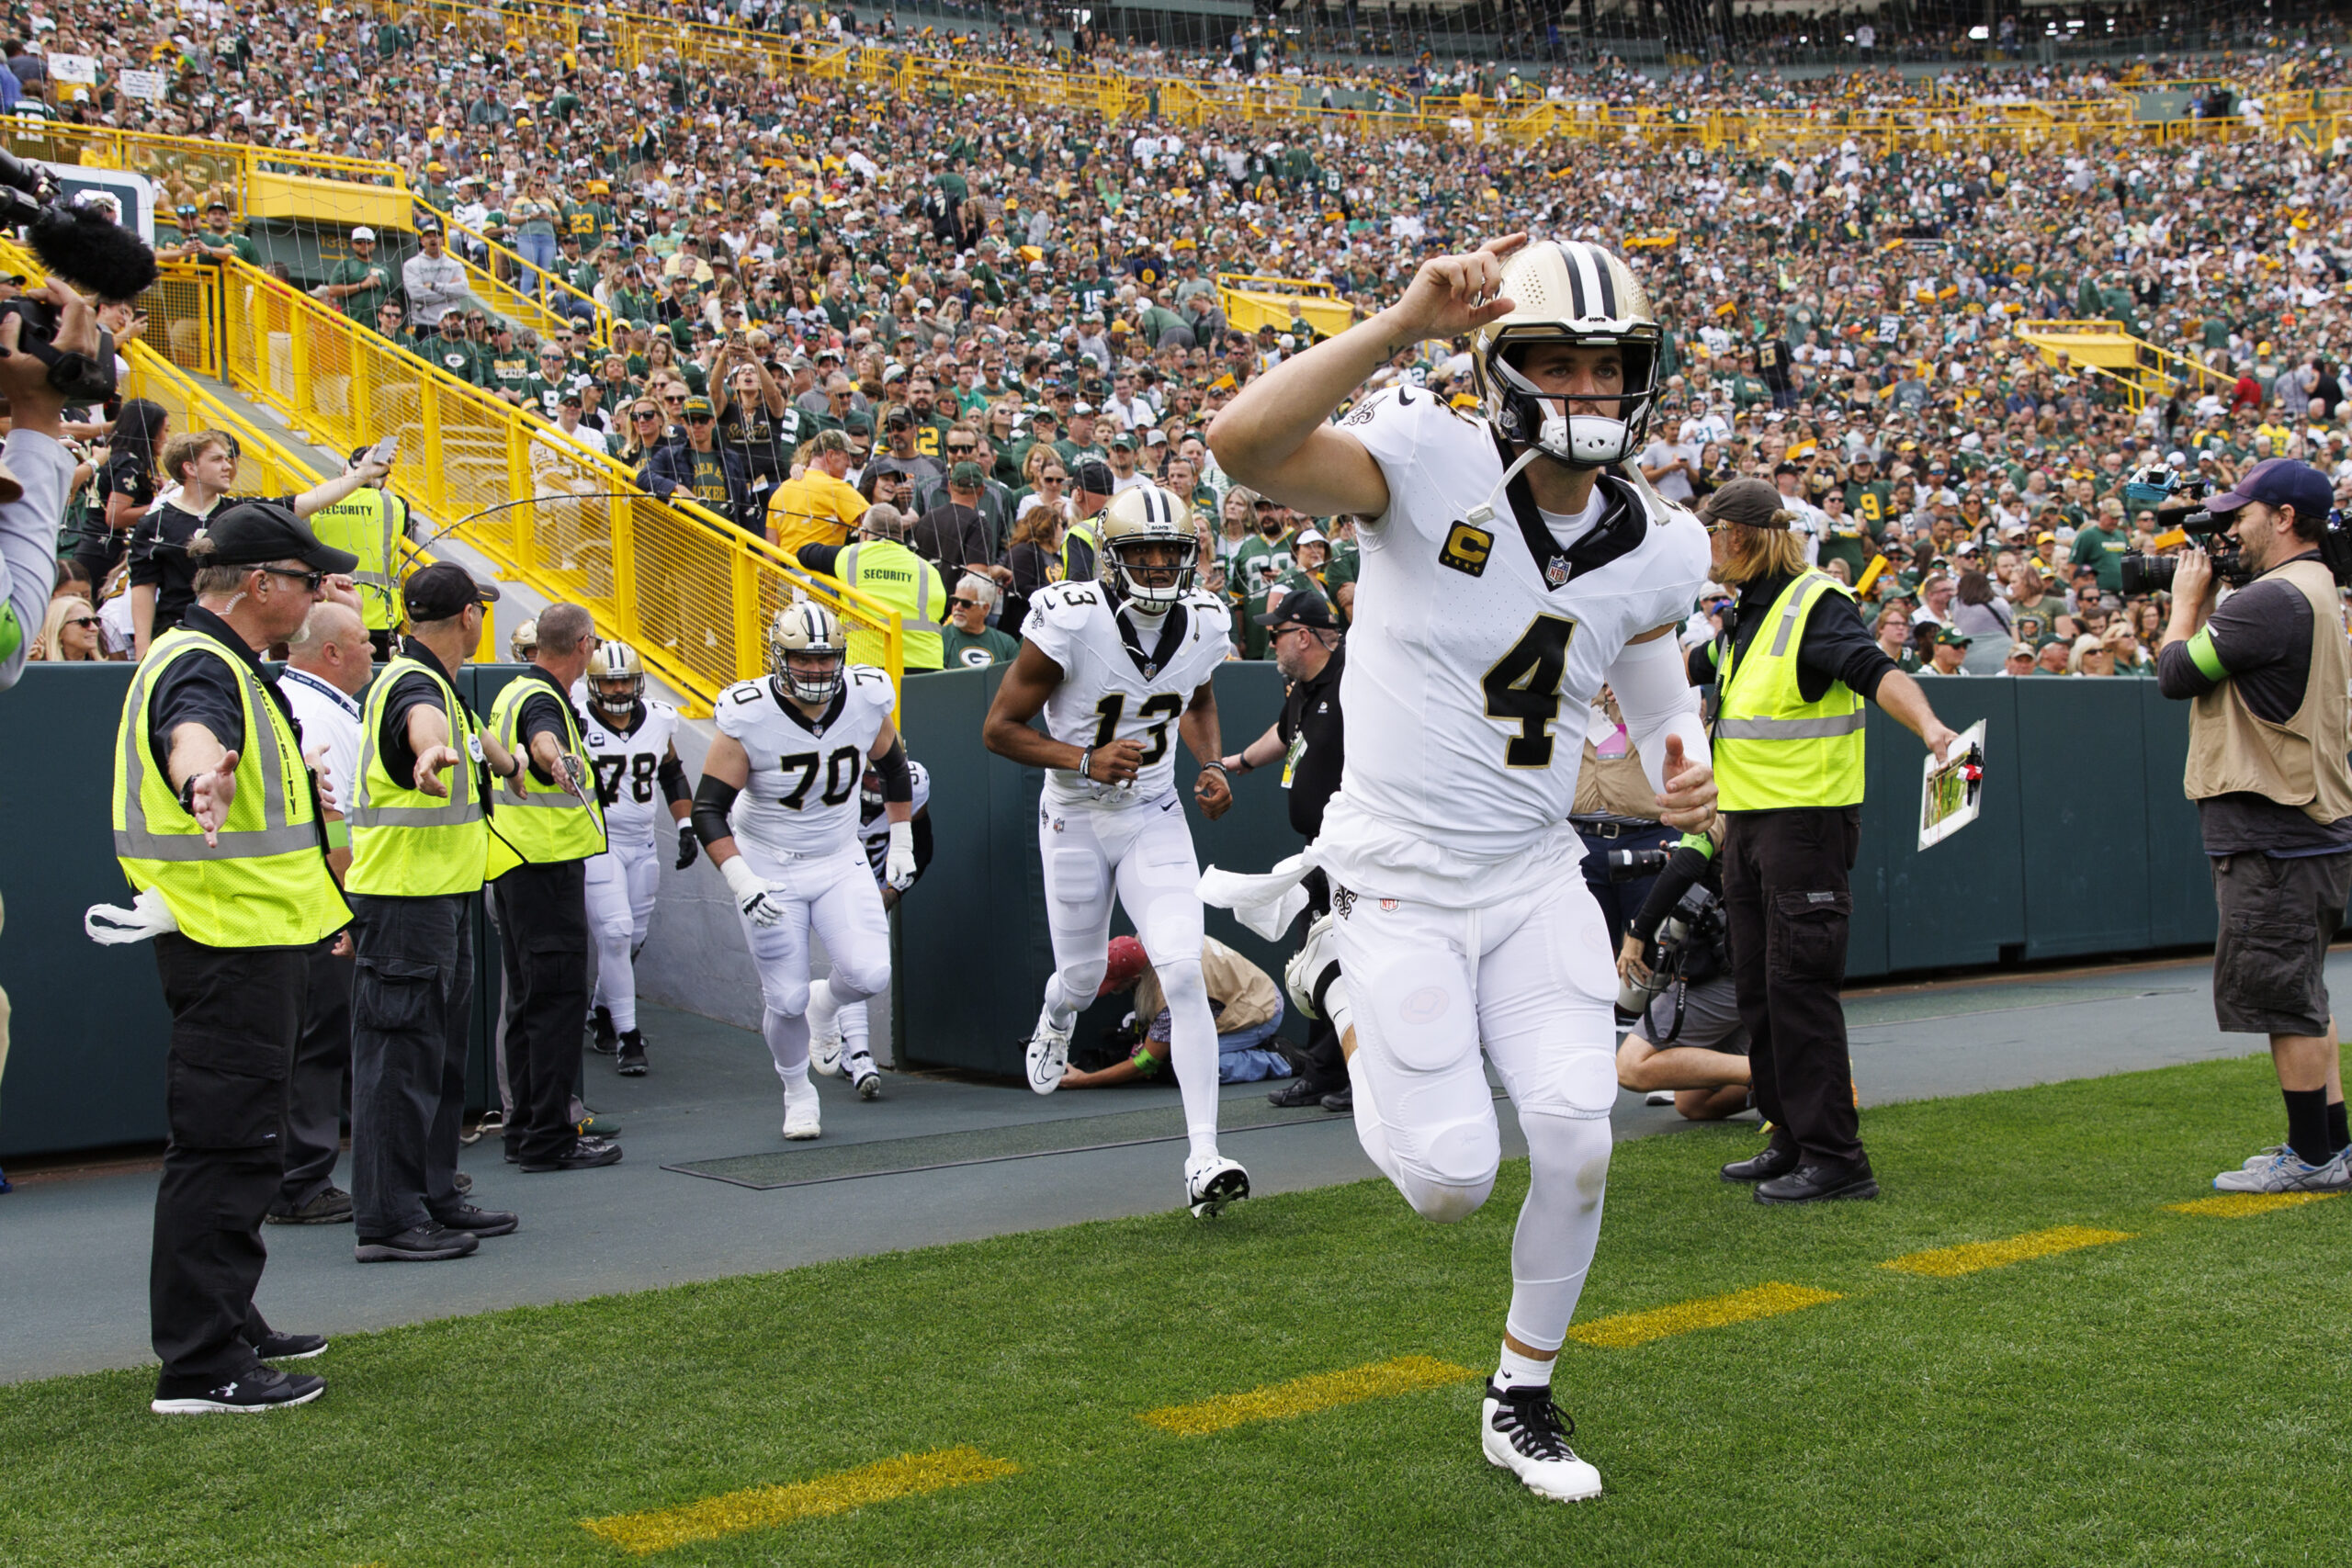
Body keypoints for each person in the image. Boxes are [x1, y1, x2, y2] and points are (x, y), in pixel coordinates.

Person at [1207, 237, 1718, 1502]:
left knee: (1579, 1140)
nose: (1586, 392)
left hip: (1534, 868)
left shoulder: (1664, 541)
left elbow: (1638, 638)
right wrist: (1397, 321)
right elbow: (1242, 445)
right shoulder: (1431, 459)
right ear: (1501, 367)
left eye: (1607, 370)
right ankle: (1334, 972)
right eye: (1556, 363)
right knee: (1447, 1182)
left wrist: (1677, 744)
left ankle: (1521, 1394)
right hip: (1398, 877)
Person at [106, 502, 351, 1413]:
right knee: (226, 1147)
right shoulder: (204, 666)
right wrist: (198, 772)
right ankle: (202, 1365)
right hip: (228, 942)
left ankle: (226, 1319)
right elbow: (195, 734)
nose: (320, 591)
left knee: (242, 1145)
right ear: (259, 586)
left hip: (248, 936)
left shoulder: (219, 660)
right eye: (305, 578)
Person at [980, 482, 1247, 1216]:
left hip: (1153, 813)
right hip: (1073, 813)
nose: (1160, 564)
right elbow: (998, 728)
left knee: (1183, 974)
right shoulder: (1069, 618)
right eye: (1143, 551)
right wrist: (1081, 758)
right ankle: (1057, 1013)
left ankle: (1203, 1157)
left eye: (1172, 551)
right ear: (1111, 557)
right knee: (1082, 971)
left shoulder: (1204, 621)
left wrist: (1214, 763)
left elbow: (1196, 698)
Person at [1702, 476, 1958, 1204]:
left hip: (1803, 825)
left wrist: (1933, 730)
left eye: (1713, 529)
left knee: (1798, 988)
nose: (1707, 543)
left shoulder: (1813, 603)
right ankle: (1790, 1135)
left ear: (1741, 536)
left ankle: (1837, 1159)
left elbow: (1874, 670)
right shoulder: (1748, 612)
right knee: (1759, 989)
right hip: (1749, 825)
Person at [2154, 457, 2352, 1191]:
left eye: (2240, 517)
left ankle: (2311, 1157)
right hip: (2308, 823)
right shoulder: (2317, 584)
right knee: (2303, 993)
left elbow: (2176, 672)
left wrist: (2185, 603)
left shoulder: (2270, 600)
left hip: (2275, 830)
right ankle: (2331, 1146)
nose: (2229, 531)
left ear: (2284, 516)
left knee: (2282, 999)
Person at [345, 562, 532, 1263]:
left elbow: (485, 745)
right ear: (467, 618)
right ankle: (390, 1218)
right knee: (399, 1064)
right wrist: (429, 754)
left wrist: (514, 762)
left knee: (438, 1060)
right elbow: (424, 730)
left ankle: (431, 1194)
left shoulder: (435, 682)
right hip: (404, 903)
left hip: (438, 899)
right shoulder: (417, 689)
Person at [695, 604, 916, 1126]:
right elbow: (708, 809)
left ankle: (827, 1005)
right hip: (769, 862)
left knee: (869, 973)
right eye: (803, 659)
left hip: (839, 856)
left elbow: (893, 766)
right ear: (779, 657)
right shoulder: (749, 713)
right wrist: (741, 877)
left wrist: (901, 839)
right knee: (786, 997)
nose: (817, 670)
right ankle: (798, 1093)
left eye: (826, 658)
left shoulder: (865, 696)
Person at [483, 602, 618, 1171]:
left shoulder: (513, 690)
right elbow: (544, 742)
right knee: (556, 1006)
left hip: (515, 867)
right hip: (543, 870)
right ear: (584, 646)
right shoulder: (542, 700)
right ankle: (549, 1138)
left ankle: (525, 1131)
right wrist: (558, 760)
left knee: (525, 1003)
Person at [1216, 589, 1350, 1111]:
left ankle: (1364, 1076)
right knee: (1315, 964)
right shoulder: (1303, 688)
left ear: (1304, 636)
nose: (1270, 642)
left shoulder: (1354, 681)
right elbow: (1285, 732)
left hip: (1358, 852)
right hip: (1318, 852)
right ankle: (1322, 1072)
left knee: (1356, 964)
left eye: (1276, 634)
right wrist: (1239, 763)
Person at [266, 601, 371, 1227]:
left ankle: (330, 1172)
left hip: (321, 895)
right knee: (319, 1039)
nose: (369, 647)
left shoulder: (314, 700)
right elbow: (330, 821)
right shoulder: (308, 708)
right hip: (323, 898)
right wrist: (347, 909)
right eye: (361, 639)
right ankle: (300, 1181)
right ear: (331, 652)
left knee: (333, 1037)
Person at [577, 639, 695, 1077]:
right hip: (597, 840)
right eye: (610, 681)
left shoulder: (660, 721)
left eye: (626, 680)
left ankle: (601, 1011)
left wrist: (685, 827)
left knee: (632, 938)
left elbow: (671, 772)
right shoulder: (576, 717)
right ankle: (627, 1037)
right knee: (616, 931)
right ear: (593, 684)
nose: (620, 689)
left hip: (643, 841)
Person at [1611, 827, 1753, 1122]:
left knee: (1631, 1066)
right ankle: (1808, 1074)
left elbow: (1687, 863)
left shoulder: (1720, 797)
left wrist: (1638, 935)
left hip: (1731, 967)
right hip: (1757, 967)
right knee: (1694, 1103)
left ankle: (1790, 1077)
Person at [1057, 935, 1292, 1089]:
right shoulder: (1152, 939)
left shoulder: (1169, 992)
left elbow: (1145, 1064)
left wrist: (1085, 1080)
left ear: (1135, 979)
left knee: (1187, 1067)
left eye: (1114, 984)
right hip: (1242, 991)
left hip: (1261, 1007)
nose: (1110, 990)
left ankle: (1279, 1059)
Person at [795, 504, 949, 672]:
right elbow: (940, 613)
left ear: (865, 533)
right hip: (926, 666)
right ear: (901, 534)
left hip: (868, 665)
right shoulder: (928, 570)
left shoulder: (851, 556)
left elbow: (805, 553)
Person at [305, 445, 414, 658]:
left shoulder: (318, 501)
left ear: (346, 470)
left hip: (325, 611)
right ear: (384, 478)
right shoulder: (395, 505)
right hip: (379, 617)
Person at [940, 573, 1021, 668]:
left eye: (966, 603)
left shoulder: (1007, 644)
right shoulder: (938, 637)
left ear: (985, 608)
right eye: (955, 601)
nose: (958, 607)